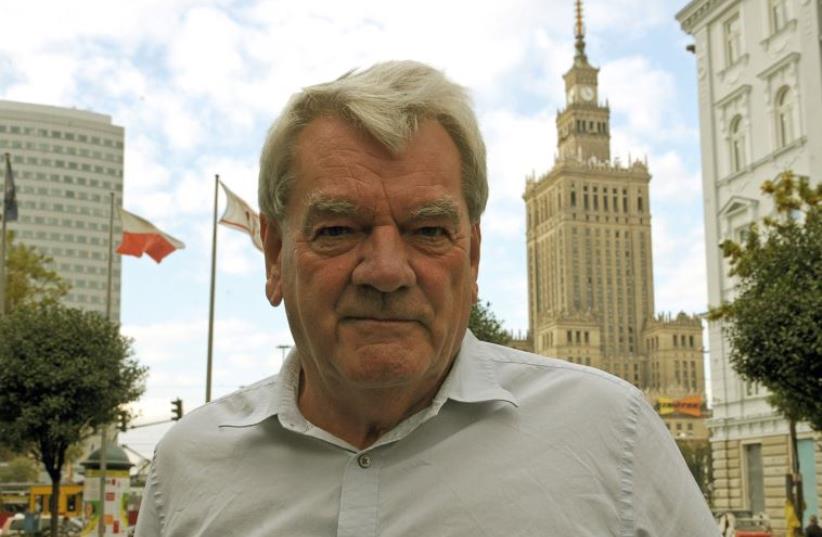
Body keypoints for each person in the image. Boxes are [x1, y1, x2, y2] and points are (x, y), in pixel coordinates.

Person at [135, 60, 719, 536]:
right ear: (273, 256)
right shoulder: (186, 467)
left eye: (429, 231)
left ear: (472, 257)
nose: (387, 272)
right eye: (338, 229)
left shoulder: (614, 436)